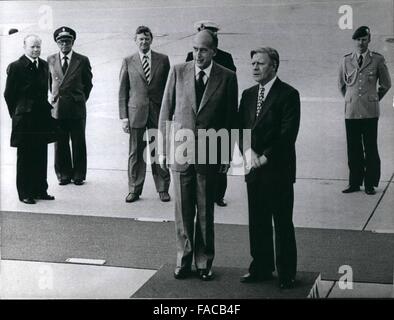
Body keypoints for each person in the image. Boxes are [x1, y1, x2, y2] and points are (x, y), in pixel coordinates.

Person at [159, 29, 238, 281]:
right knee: (182, 211)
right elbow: (165, 112)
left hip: (209, 153)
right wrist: (161, 148)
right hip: (180, 154)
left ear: (214, 51)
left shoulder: (227, 77)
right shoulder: (178, 71)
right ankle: (183, 260)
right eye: (195, 49)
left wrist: (226, 155)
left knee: (205, 211)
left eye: (203, 50)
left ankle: (204, 261)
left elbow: (231, 120)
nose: (198, 54)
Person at [238, 47, 300, 289]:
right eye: (252, 63)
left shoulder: (288, 94)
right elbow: (239, 127)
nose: (254, 67)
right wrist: (247, 152)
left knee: (282, 222)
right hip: (253, 169)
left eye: (260, 64)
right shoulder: (248, 94)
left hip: (278, 170)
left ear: (274, 66)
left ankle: (287, 273)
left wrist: (264, 157)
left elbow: (288, 134)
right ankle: (261, 267)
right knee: (258, 221)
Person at [186, 20, 236, 207]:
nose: (199, 54)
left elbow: (230, 100)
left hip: (217, 121)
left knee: (218, 164)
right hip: (195, 124)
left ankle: (218, 195)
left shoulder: (226, 58)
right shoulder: (190, 58)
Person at [119, 26, 171, 203]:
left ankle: (163, 188)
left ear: (151, 40)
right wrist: (124, 117)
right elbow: (123, 91)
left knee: (159, 151)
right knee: (135, 153)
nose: (144, 42)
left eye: (146, 39)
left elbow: (167, 89)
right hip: (136, 113)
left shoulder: (163, 60)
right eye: (140, 39)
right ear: (135, 40)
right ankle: (134, 189)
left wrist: (168, 114)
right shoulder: (128, 61)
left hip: (157, 112)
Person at [338, 26, 391, 195]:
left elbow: (386, 84)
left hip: (369, 111)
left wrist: (373, 98)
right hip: (352, 110)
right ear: (354, 41)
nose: (361, 43)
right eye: (358, 40)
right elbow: (341, 84)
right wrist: (351, 99)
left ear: (369, 40)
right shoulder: (346, 60)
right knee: (353, 148)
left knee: (370, 148)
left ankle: (370, 184)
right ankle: (354, 183)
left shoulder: (377, 60)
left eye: (364, 39)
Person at [4, 35, 55, 204]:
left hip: (40, 117)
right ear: (24, 46)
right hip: (25, 119)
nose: (36, 50)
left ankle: (40, 189)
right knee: (25, 156)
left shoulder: (44, 65)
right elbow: (9, 94)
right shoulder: (16, 67)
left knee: (41, 154)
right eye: (32, 47)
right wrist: (17, 113)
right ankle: (25, 192)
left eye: (38, 47)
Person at [48, 26, 93, 186]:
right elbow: (49, 83)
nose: (64, 44)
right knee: (60, 143)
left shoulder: (82, 60)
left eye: (68, 41)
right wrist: (55, 99)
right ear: (56, 43)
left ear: (73, 42)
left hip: (76, 107)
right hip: (58, 108)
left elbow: (88, 84)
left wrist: (79, 99)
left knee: (78, 141)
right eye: (61, 41)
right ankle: (63, 174)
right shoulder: (51, 60)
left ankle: (79, 174)